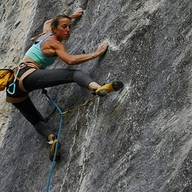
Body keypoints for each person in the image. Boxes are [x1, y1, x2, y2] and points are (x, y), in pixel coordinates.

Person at [6, 8, 123, 159]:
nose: (68, 30)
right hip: (28, 75)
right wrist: (96, 53)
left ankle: (52, 140)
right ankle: (98, 88)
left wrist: (72, 16)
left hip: (12, 87)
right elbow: (70, 60)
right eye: (64, 27)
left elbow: (48, 21)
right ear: (55, 29)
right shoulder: (55, 43)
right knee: (73, 74)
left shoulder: (46, 32)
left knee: (35, 119)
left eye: (69, 26)